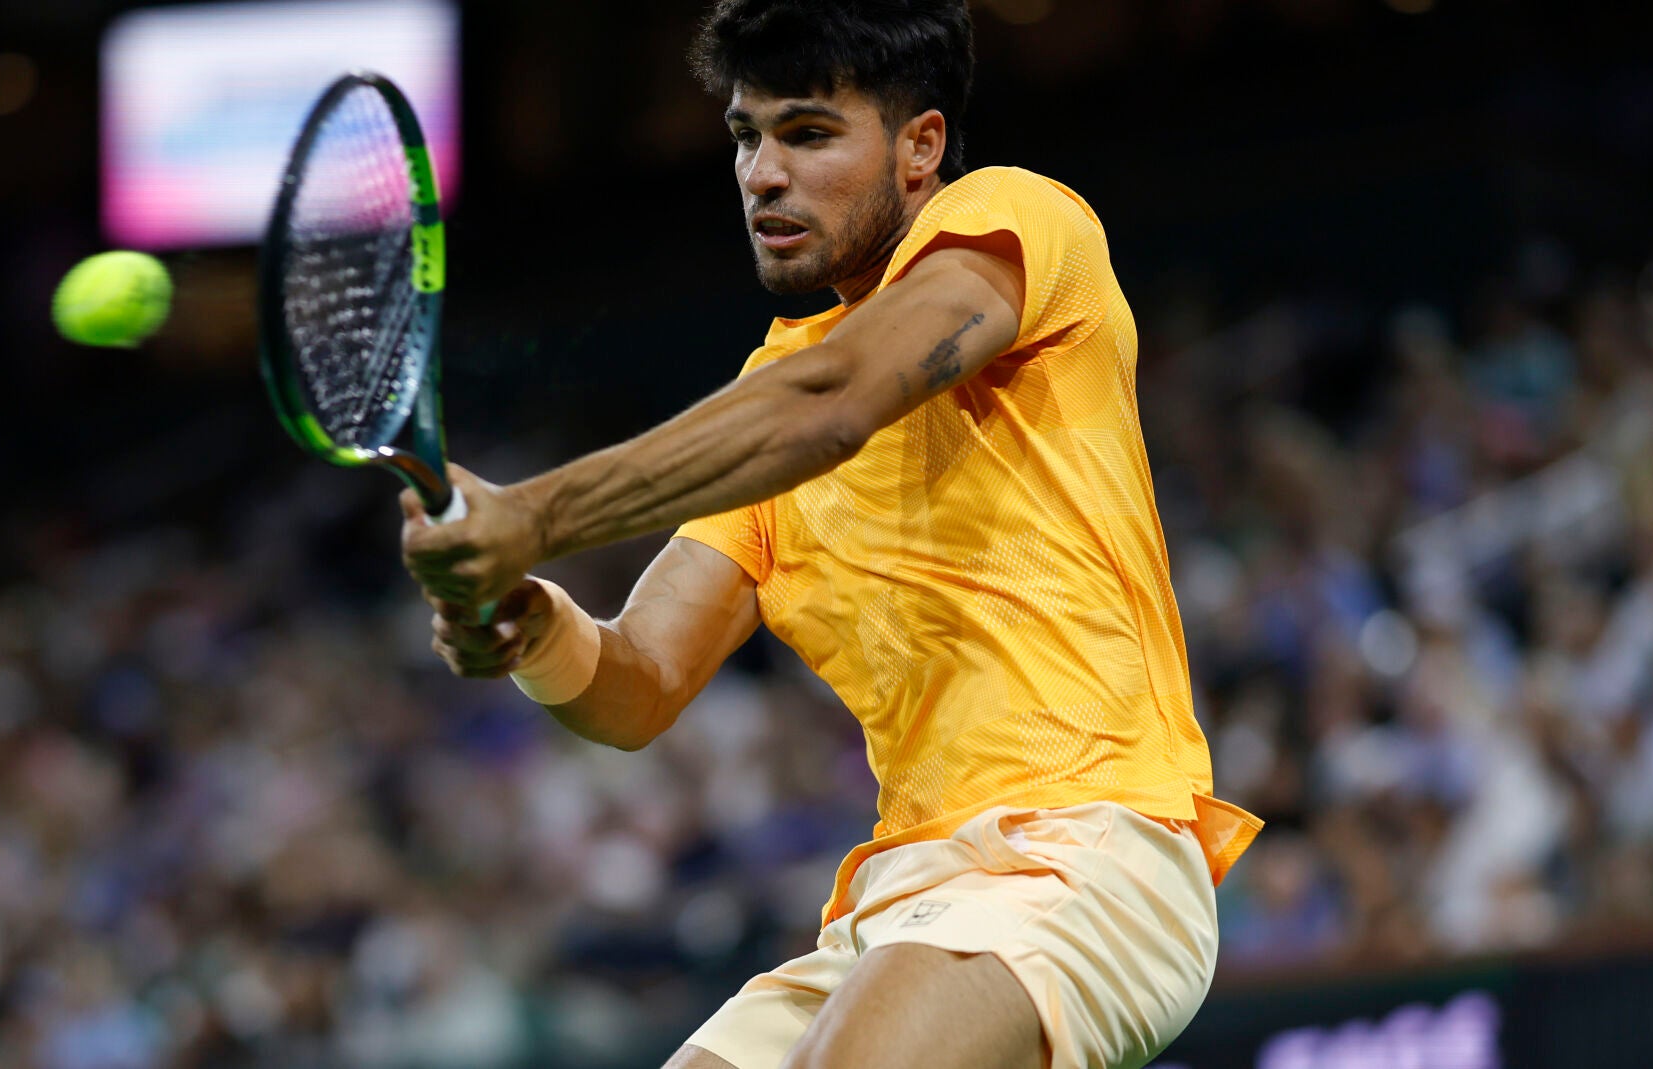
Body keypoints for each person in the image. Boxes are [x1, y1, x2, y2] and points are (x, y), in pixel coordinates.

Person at [399, 2, 1261, 1066]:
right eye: (745, 136)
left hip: (1086, 849)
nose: (763, 174)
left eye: (807, 134)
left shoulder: (1014, 222)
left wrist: (533, 518)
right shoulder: (768, 411)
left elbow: (838, 399)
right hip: (900, 899)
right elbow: (639, 687)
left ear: (919, 146)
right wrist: (531, 624)